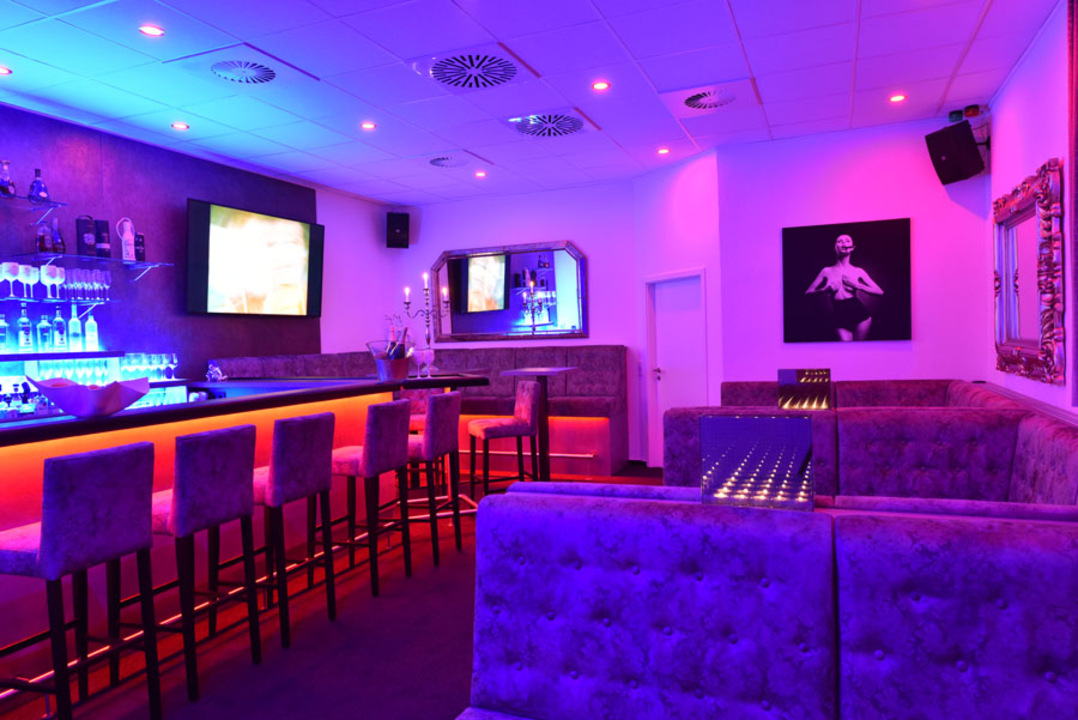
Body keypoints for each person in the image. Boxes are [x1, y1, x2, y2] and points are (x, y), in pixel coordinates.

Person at [805, 234, 883, 341]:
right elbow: (808, 293)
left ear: (852, 247)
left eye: (847, 241)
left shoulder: (858, 271)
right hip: (839, 316)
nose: (843, 243)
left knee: (859, 348)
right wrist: (824, 290)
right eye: (840, 241)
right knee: (846, 348)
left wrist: (857, 285)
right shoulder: (826, 271)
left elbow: (879, 292)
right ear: (835, 247)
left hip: (860, 315)